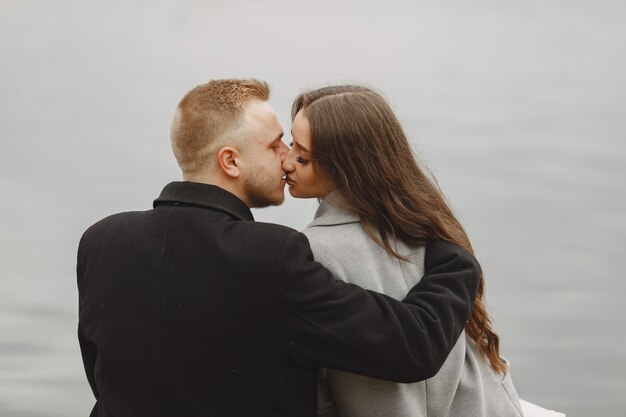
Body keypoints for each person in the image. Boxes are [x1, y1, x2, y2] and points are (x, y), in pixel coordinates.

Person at [77, 79, 482, 417]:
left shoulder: (100, 241)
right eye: (274, 146)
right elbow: (413, 346)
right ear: (230, 161)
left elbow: (102, 375)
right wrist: (455, 258)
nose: (287, 158)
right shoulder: (272, 256)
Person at [282, 85, 526, 417]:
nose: (286, 161)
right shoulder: (430, 230)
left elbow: (320, 389)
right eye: (290, 144)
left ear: (344, 165)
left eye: (301, 155)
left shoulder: (310, 253)